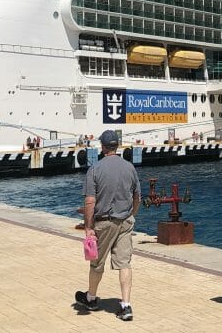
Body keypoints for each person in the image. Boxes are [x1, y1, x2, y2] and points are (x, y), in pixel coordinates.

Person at [75, 130, 141, 322]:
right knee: (124, 263)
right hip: (125, 221)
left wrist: (88, 227)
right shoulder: (130, 168)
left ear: (102, 147)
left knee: (97, 263)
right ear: (117, 145)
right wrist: (132, 215)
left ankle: (91, 298)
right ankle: (126, 306)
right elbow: (137, 197)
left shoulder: (95, 169)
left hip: (104, 222)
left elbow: (89, 201)